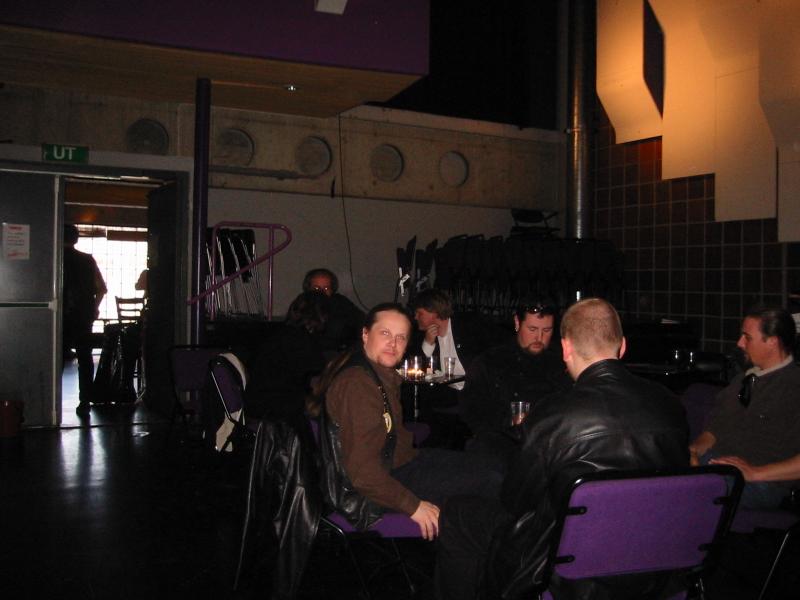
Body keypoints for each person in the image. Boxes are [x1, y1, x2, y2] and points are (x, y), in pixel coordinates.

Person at [436, 298, 689, 600]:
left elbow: (517, 501)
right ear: (622, 347)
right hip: (653, 555)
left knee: (458, 513)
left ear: (566, 348)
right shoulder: (670, 405)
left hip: (570, 555)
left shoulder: (554, 415)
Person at [320, 303, 502, 540]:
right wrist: (414, 506)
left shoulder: (378, 373)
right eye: (385, 333)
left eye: (401, 337)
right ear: (365, 334)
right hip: (371, 490)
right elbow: (363, 474)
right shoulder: (358, 385)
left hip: (401, 463)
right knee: (490, 480)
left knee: (494, 464)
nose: (393, 343)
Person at [690, 306, 800, 509]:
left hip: (760, 482)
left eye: (747, 337)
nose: (740, 343)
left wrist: (755, 473)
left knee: (685, 492)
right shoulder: (742, 381)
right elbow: (714, 432)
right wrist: (692, 452)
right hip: (717, 468)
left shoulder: (793, 386)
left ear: (772, 341)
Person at [460, 301, 571, 466]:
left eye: (547, 330)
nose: (539, 337)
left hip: (548, 448)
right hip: (499, 446)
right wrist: (508, 421)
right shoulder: (490, 361)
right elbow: (472, 410)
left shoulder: (562, 363)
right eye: (532, 329)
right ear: (517, 323)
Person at [245, 291, 329, 427]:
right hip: (277, 412)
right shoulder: (303, 342)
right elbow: (317, 380)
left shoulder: (277, 334)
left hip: (258, 404)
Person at [62, 224, 107, 415]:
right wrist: (94, 307)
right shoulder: (87, 260)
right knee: (85, 358)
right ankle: (85, 400)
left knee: (56, 358)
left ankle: (49, 402)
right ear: (76, 239)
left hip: (60, 316)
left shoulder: (55, 258)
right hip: (83, 315)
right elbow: (102, 289)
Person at [302, 268, 364, 357]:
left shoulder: (341, 303)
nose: (321, 292)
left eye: (326, 288)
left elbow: (362, 323)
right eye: (316, 288)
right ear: (308, 289)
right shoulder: (302, 304)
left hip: (339, 355)